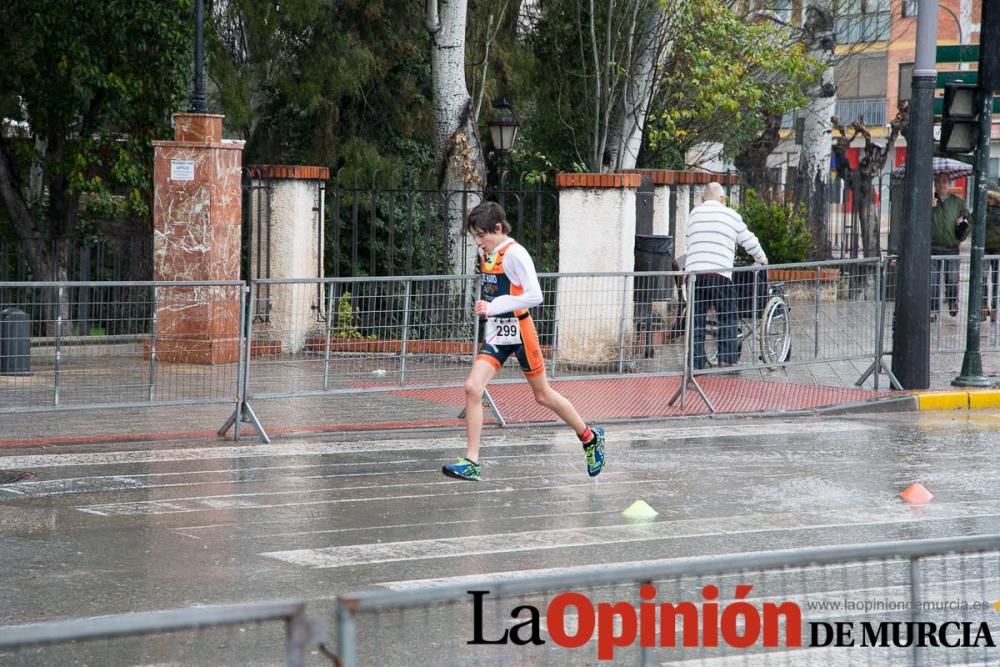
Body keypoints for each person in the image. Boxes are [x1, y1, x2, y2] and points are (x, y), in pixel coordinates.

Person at [442, 201, 606, 482]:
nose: (478, 242)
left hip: (520, 329)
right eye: (474, 237)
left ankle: (589, 437)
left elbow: (535, 295)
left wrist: (496, 306)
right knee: (472, 387)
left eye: (482, 235)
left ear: (497, 228)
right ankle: (472, 461)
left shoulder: (516, 253)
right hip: (498, 332)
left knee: (542, 396)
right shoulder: (487, 254)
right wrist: (490, 309)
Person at [684, 182, 768, 370]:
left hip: (694, 274)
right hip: (720, 273)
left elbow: (689, 239)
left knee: (696, 319)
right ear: (722, 199)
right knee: (728, 315)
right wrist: (762, 258)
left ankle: (696, 363)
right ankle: (726, 360)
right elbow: (750, 241)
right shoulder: (731, 215)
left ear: (702, 199)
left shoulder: (694, 214)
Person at [930, 172, 969, 319]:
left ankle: (953, 302)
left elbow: (967, 221)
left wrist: (962, 229)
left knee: (952, 278)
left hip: (952, 248)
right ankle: (933, 310)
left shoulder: (958, 202)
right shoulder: (931, 200)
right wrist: (928, 208)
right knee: (933, 281)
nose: (942, 185)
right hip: (933, 248)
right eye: (939, 182)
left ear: (949, 184)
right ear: (935, 184)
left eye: (944, 182)